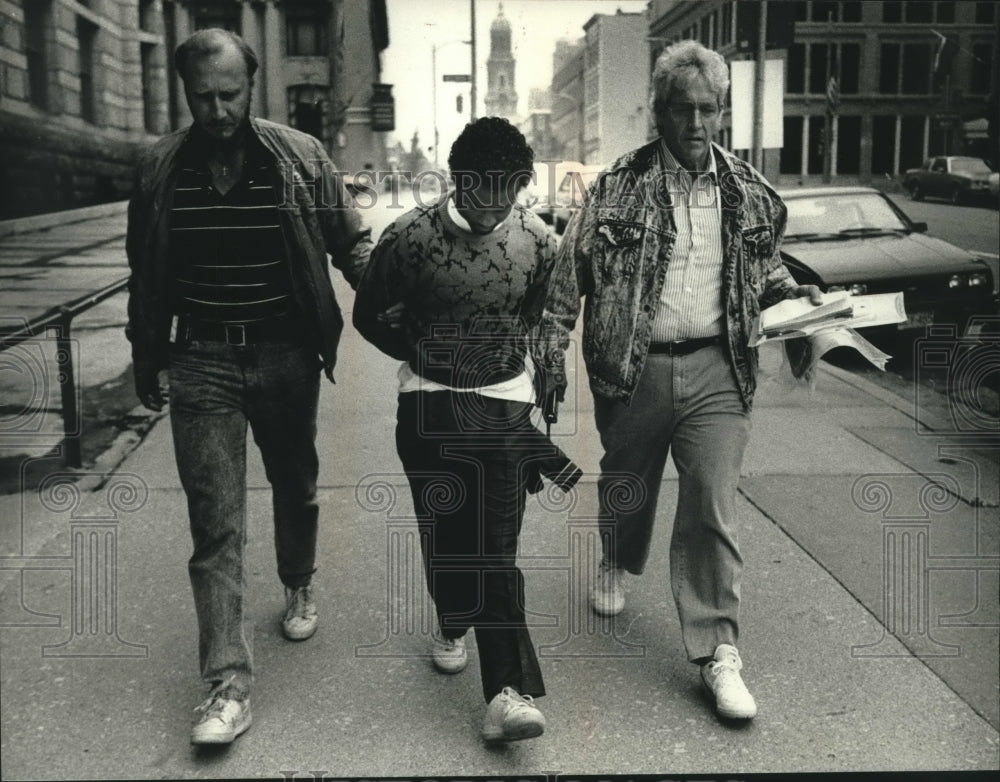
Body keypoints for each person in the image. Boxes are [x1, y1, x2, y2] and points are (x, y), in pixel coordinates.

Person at [540, 40, 821, 722]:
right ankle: (616, 556)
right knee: (628, 490)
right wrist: (549, 345)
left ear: (721, 113)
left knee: (711, 503)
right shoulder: (615, 185)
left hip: (719, 369)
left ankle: (719, 651)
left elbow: (768, 274)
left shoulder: (751, 191)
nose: (696, 124)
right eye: (682, 109)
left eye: (708, 110)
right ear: (659, 113)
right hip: (631, 369)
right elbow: (567, 275)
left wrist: (811, 317)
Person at [125, 28, 372, 744]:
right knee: (216, 524)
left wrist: (398, 300)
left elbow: (348, 242)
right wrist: (149, 356)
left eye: (230, 94)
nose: (218, 109)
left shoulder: (301, 157)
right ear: (186, 94)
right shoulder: (159, 170)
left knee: (295, 483)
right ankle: (228, 686)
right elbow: (146, 271)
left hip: (285, 354)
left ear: (251, 86)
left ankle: (298, 578)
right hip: (201, 358)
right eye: (203, 96)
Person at [353, 117, 579, 742]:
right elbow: (367, 314)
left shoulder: (539, 242)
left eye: (510, 188)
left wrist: (545, 359)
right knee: (448, 537)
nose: (495, 202)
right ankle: (452, 617)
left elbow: (552, 311)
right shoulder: (409, 238)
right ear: (458, 180)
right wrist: (419, 347)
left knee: (494, 548)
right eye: (483, 186)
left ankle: (509, 692)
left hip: (505, 404)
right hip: (429, 405)